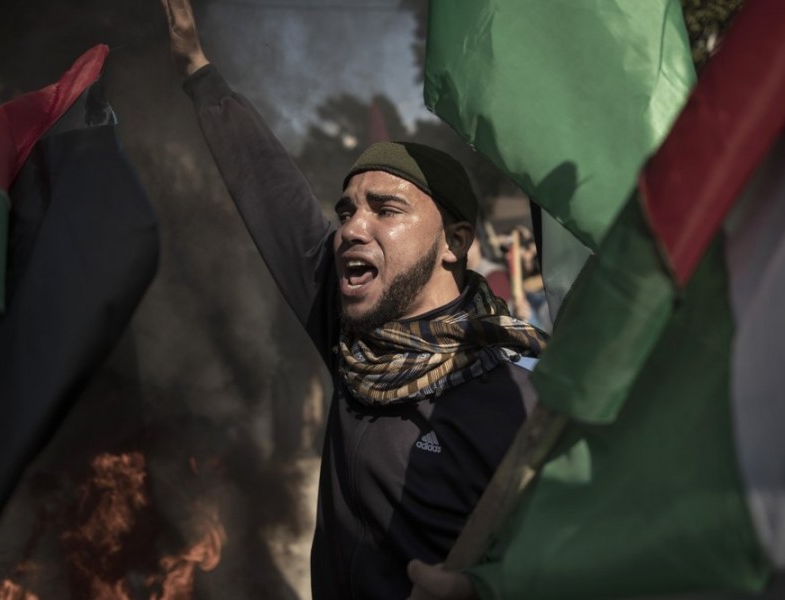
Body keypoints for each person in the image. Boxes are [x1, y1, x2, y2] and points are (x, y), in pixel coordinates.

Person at [161, 1, 547, 598]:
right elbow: (276, 198)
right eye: (346, 210)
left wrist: (483, 592)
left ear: (455, 242)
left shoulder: (516, 398)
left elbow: (581, 555)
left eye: (386, 209)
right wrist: (198, 71)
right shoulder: (352, 336)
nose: (350, 228)